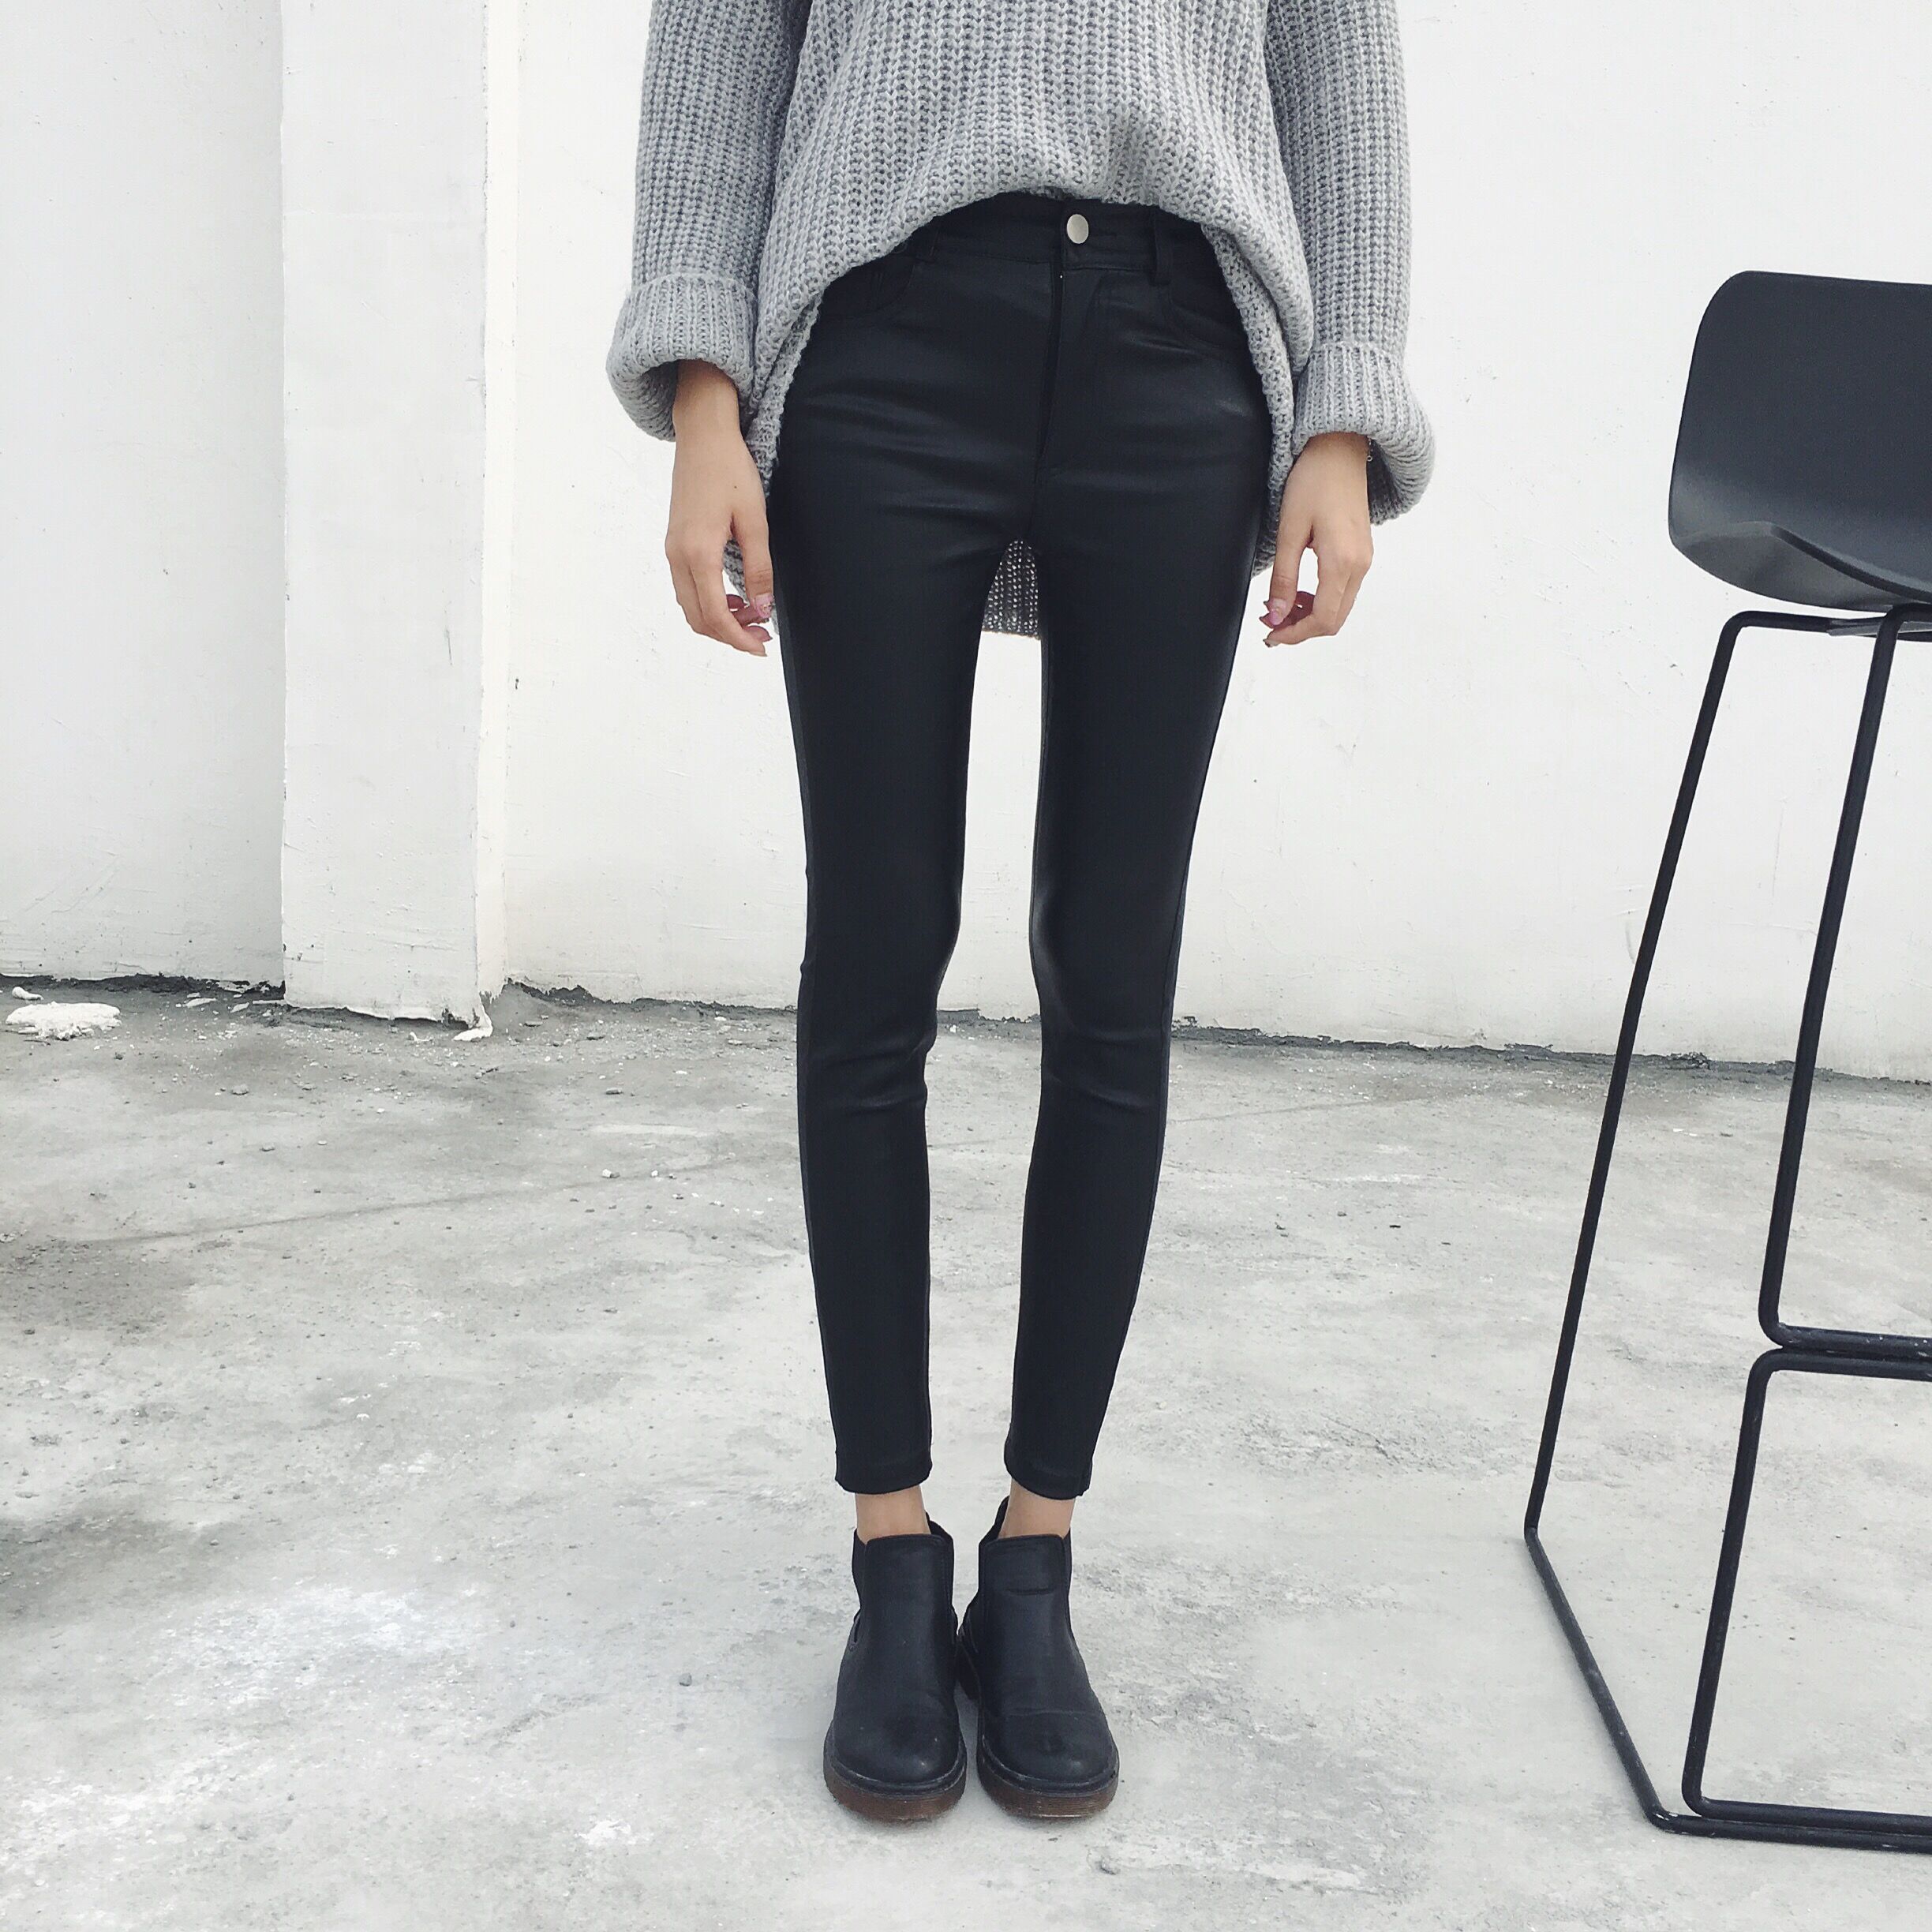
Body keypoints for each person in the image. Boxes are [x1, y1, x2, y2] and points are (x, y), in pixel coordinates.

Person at [608, 0, 1432, 1822]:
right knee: (877, 951)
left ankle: (1038, 1554)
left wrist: (1345, 412)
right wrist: (703, 400)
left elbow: (1338, 77)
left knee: (1113, 971)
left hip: (1178, 348)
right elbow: (721, 60)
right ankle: (892, 1551)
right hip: (885, 333)